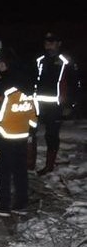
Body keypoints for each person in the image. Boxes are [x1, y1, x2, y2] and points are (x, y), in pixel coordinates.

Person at [0, 49, 37, 217]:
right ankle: (21, 203)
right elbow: (33, 112)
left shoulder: (4, 85)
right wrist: (30, 130)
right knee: (20, 171)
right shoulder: (27, 84)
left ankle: (4, 205)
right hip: (21, 134)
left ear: (3, 64)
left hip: (4, 134)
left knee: (3, 171)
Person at [31, 32, 76, 175]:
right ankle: (29, 163)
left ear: (59, 43)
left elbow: (74, 84)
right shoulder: (40, 60)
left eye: (52, 41)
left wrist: (69, 105)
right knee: (30, 133)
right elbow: (32, 80)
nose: (48, 44)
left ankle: (49, 165)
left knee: (51, 135)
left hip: (55, 106)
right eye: (46, 42)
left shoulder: (66, 61)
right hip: (37, 103)